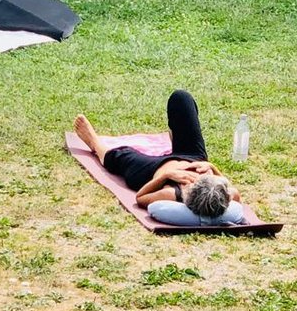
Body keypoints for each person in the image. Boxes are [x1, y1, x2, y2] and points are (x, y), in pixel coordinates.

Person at [72, 91, 244, 224]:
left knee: (121, 155)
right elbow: (232, 190)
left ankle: (94, 143)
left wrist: (166, 176)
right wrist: (211, 167)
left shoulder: (171, 194)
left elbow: (140, 198)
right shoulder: (229, 194)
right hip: (193, 156)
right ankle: (176, 138)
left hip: (153, 169)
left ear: (188, 191)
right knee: (181, 98)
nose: (196, 178)